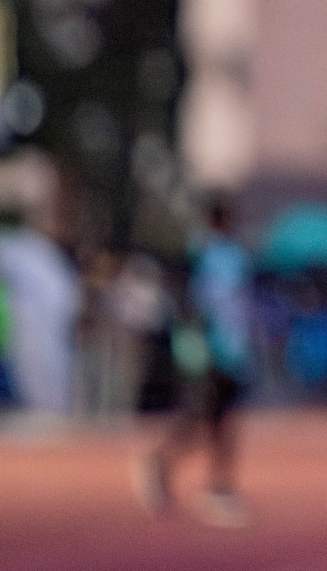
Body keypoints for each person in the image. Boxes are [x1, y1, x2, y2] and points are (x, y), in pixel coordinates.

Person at [135, 197, 254, 528]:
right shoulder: (209, 256)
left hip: (233, 350)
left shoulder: (228, 256)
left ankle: (199, 479)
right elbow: (201, 305)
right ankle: (211, 485)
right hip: (217, 351)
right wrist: (202, 349)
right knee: (213, 419)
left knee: (216, 421)